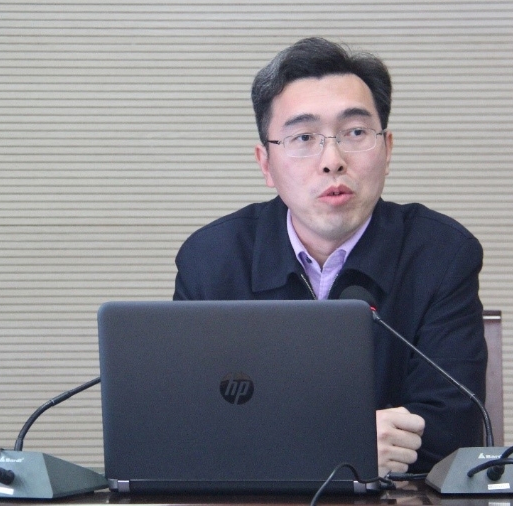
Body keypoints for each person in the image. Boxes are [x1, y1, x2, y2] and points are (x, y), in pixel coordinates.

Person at [173, 37, 486, 474]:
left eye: (355, 132)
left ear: (388, 149)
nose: (332, 160)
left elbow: (453, 434)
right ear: (265, 164)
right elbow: (188, 432)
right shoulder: (212, 261)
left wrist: (271, 444)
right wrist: (344, 443)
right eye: (303, 137)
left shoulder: (441, 254)